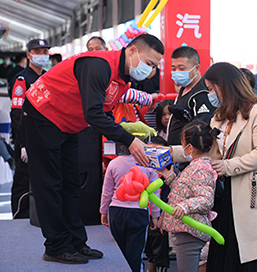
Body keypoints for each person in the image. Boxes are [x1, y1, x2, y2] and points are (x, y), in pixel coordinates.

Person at [23, 34, 163, 264]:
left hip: (68, 122)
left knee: (71, 183)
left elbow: (103, 110)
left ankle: (76, 242)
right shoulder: (99, 65)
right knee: (49, 183)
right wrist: (130, 140)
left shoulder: (121, 78)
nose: (150, 71)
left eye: (155, 67)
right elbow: (93, 113)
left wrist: (126, 132)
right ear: (132, 51)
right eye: (149, 64)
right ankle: (56, 245)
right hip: (43, 114)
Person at [176, 62, 257, 271]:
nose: (210, 94)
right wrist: (167, 153)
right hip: (225, 195)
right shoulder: (219, 117)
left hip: (250, 194)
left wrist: (228, 166)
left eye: (212, 89)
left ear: (224, 86)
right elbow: (208, 151)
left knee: (248, 255)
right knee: (225, 251)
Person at [158, 120, 219, 272]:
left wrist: (184, 207)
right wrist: (170, 177)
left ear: (190, 147)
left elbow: (206, 199)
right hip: (186, 230)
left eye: (182, 144)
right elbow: (186, 192)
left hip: (190, 231)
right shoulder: (196, 167)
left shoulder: (201, 169)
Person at [100, 154, 161, 272]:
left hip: (116, 210)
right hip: (139, 211)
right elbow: (154, 192)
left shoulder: (114, 163)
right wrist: (155, 215)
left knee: (118, 251)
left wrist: (103, 211)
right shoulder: (149, 164)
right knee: (135, 253)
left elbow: (106, 191)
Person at [10, 39, 49, 219]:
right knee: (24, 179)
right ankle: (20, 215)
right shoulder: (22, 79)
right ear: (29, 55)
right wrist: (23, 143)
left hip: (45, 137)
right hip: (26, 138)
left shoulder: (49, 77)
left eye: (44, 51)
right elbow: (17, 114)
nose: (41, 55)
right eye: (37, 51)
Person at [166, 46, 215, 146]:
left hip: (189, 155)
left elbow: (201, 130)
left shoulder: (201, 93)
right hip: (176, 154)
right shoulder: (184, 89)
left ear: (196, 68)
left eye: (181, 68)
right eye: (174, 68)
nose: (176, 72)